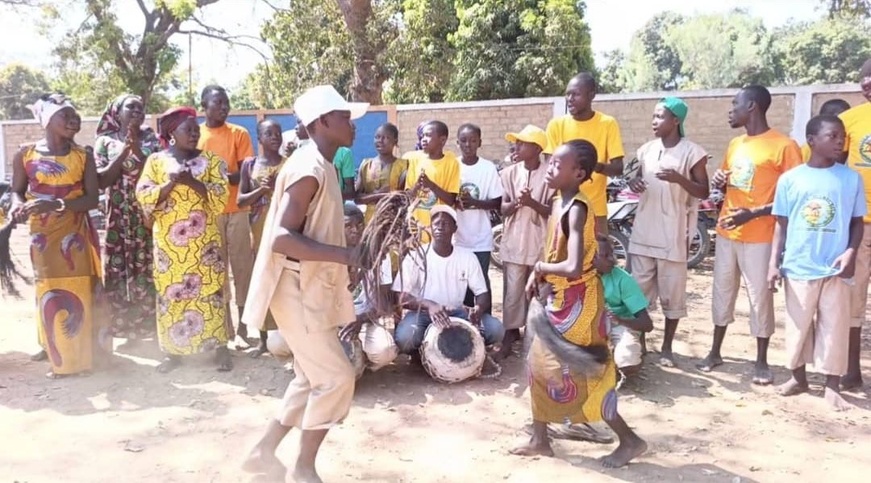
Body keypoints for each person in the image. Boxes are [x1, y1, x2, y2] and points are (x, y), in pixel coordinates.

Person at [242, 85, 367, 483]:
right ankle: (303, 468)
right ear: (322, 122)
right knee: (337, 377)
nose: (352, 124)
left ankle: (262, 452)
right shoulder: (308, 168)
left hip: (310, 286)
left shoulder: (325, 165)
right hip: (296, 287)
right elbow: (282, 238)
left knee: (309, 377)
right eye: (345, 117)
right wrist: (346, 256)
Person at [510, 139, 646, 468]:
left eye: (558, 165)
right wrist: (538, 275)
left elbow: (572, 266)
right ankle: (541, 439)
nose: (550, 168)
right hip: (560, 299)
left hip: (579, 305)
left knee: (588, 374)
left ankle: (629, 440)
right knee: (538, 364)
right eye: (551, 162)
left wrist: (540, 269)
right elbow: (553, 250)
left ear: (579, 173)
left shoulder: (577, 208)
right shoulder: (560, 200)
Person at [698, 86, 803, 384]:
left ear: (752, 106)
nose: (731, 110)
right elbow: (727, 182)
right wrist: (720, 181)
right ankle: (715, 351)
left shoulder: (784, 146)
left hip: (760, 235)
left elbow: (794, 196)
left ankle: (761, 361)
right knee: (721, 293)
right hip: (727, 232)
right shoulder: (735, 144)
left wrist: (753, 213)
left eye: (735, 104)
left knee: (759, 298)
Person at [768, 114, 865, 411]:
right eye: (832, 136)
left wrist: (850, 252)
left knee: (834, 326)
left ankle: (832, 385)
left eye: (841, 136)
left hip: (836, 268)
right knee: (798, 327)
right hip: (799, 266)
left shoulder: (850, 178)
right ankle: (798, 377)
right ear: (812, 141)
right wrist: (774, 263)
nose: (839, 141)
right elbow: (781, 225)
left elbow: (857, 222)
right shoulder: (791, 179)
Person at [8, 94, 105, 377]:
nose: (74, 121)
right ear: (47, 120)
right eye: (67, 115)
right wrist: (16, 206)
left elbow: (91, 200)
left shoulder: (82, 156)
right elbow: (16, 190)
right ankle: (58, 356)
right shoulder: (25, 155)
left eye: (76, 116)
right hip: (42, 236)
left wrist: (57, 204)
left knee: (77, 290)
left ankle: (80, 360)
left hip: (75, 233)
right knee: (48, 290)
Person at [135, 106, 232, 373]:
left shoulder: (212, 161)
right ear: (171, 133)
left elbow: (221, 198)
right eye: (188, 129)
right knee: (171, 292)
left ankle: (219, 347)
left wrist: (191, 182)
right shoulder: (156, 161)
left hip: (204, 245)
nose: (194, 133)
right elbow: (143, 194)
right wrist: (168, 186)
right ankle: (172, 352)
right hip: (169, 245)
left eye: (196, 129)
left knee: (209, 291)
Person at [627, 97, 709, 367]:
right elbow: (634, 178)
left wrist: (679, 179)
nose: (654, 121)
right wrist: (635, 182)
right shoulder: (646, 150)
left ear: (676, 121)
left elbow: (703, 191)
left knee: (672, 294)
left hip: (673, 234)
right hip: (643, 233)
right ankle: (637, 345)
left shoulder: (692, 153)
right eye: (653, 116)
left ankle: (667, 348)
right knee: (637, 293)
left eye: (660, 116)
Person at [392, 205, 505, 356]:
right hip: (423, 314)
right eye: (436, 223)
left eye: (445, 223)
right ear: (430, 227)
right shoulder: (416, 255)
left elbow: (482, 293)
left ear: (454, 228)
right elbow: (401, 297)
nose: (440, 227)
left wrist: (478, 309)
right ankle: (423, 352)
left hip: (456, 313)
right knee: (405, 338)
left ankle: (458, 348)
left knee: (496, 330)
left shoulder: (467, 257)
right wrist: (429, 305)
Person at [94, 93, 161, 340]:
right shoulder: (105, 141)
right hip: (117, 216)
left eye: (141, 108)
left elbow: (157, 173)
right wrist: (124, 151)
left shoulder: (150, 138)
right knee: (117, 266)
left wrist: (136, 150)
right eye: (131, 106)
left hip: (144, 214)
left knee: (147, 266)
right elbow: (102, 180)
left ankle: (147, 325)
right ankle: (121, 324)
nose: (137, 111)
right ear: (116, 111)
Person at [197, 85, 256, 348]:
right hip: (208, 214)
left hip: (238, 210)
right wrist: (224, 178)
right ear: (204, 106)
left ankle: (244, 327)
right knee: (215, 272)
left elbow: (245, 174)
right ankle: (224, 330)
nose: (223, 107)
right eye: (217, 102)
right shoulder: (195, 135)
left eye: (226, 102)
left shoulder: (239, 134)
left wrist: (213, 179)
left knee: (243, 269)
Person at [496, 125, 555, 360]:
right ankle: (511, 333)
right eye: (516, 142)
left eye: (522, 143)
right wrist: (518, 204)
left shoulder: (551, 175)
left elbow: (552, 210)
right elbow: (502, 208)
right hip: (514, 241)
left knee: (539, 291)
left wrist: (532, 203)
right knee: (513, 291)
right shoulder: (509, 173)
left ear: (537, 148)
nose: (516, 146)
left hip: (540, 242)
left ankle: (535, 335)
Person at [545, 72, 625, 234]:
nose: (570, 98)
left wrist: (594, 166)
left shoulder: (607, 124)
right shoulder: (556, 125)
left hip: (595, 210)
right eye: (568, 94)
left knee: (597, 257)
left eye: (576, 94)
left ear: (591, 95)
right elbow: (549, 166)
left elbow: (618, 168)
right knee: (560, 257)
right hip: (563, 206)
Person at [237, 119, 286, 357]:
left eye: (277, 133)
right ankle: (263, 339)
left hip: (284, 229)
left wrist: (278, 188)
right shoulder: (250, 164)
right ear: (260, 138)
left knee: (284, 281)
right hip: (258, 231)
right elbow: (240, 200)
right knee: (262, 281)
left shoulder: (289, 164)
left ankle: (287, 335)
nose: (275, 137)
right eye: (269, 133)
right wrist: (263, 190)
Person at [840, 58, 871, 391]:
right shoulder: (850, 120)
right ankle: (851, 370)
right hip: (860, 224)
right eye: (863, 77)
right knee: (854, 299)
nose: (866, 82)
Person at [337, 203, 398, 371]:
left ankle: (364, 359)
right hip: (336, 320)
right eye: (348, 226)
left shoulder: (379, 255)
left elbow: (384, 305)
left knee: (385, 351)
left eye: (359, 225)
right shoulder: (330, 255)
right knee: (279, 341)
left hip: (367, 318)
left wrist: (360, 320)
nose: (355, 230)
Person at [456, 123, 503, 310]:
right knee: (460, 280)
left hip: (480, 238)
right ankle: (465, 321)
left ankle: (485, 319)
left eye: (473, 140)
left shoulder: (487, 168)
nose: (468, 144)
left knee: (481, 281)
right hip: (456, 238)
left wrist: (475, 203)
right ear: (457, 142)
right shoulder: (453, 166)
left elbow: (497, 203)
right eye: (464, 140)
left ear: (480, 142)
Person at [594, 235, 653, 376]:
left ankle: (629, 352)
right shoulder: (579, 276)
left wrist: (619, 320)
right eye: (605, 255)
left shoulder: (623, 279)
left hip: (620, 324)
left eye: (612, 254)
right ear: (591, 258)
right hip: (591, 325)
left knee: (627, 364)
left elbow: (647, 324)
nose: (612, 260)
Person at [405, 121, 461, 239]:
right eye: (423, 136)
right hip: (416, 229)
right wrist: (417, 186)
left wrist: (431, 185)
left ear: (442, 140)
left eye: (428, 135)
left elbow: (451, 200)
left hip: (438, 230)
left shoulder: (451, 163)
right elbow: (408, 196)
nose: (424, 139)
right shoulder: (414, 160)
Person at [355, 122, 408, 224]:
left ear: (395, 140)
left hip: (394, 220)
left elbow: (404, 197)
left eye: (386, 137)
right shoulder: (366, 164)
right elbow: (357, 198)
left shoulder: (403, 165)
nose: (380, 140)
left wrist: (371, 197)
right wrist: (379, 194)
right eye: (377, 137)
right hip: (370, 221)